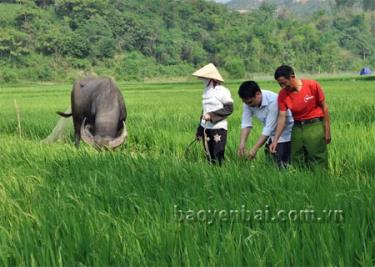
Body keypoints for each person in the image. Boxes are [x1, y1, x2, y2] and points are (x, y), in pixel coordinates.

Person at [269, 65, 331, 169]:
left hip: (314, 125)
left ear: (292, 76)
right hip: (297, 127)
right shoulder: (282, 95)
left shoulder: (312, 85)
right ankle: (302, 182)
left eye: (284, 83)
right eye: (280, 84)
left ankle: (320, 180)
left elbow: (325, 107)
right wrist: (275, 140)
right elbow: (282, 117)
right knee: (297, 159)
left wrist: (327, 130)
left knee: (317, 158)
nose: (283, 87)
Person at [237, 81, 294, 168]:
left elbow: (269, 128)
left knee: (282, 165)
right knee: (270, 164)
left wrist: (254, 149)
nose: (248, 105)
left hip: (285, 134)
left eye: (250, 102)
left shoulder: (274, 101)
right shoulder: (248, 102)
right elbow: (246, 123)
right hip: (271, 136)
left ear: (258, 94)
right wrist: (242, 144)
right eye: (245, 102)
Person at [193, 63, 233, 165]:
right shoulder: (206, 91)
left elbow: (229, 108)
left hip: (218, 128)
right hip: (206, 128)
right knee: (208, 155)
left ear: (212, 79)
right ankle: (211, 178)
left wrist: (211, 116)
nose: (202, 80)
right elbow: (204, 111)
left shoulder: (223, 91)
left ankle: (220, 177)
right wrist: (199, 131)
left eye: (205, 78)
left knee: (218, 156)